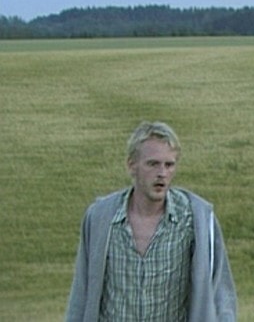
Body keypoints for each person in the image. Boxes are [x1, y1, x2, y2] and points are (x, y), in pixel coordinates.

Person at [65, 121, 237, 321]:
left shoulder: (194, 220)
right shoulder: (100, 218)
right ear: (132, 165)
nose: (162, 173)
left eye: (169, 165)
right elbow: (81, 293)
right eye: (153, 164)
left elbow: (221, 297)